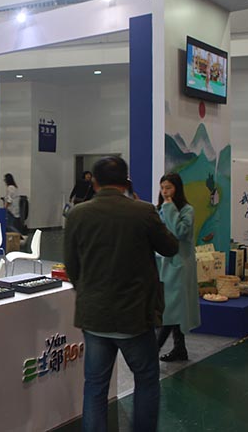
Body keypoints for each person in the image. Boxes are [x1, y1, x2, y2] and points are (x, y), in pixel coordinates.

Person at [64, 156, 179, 432]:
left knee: (95, 386)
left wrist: (88, 291)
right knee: (146, 380)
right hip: (135, 316)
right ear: (127, 182)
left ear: (94, 182)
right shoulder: (143, 211)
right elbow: (170, 247)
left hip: (95, 315)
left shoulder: (78, 214)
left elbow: (71, 266)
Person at [155, 172, 201, 362]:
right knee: (174, 308)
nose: (165, 191)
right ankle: (179, 349)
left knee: (171, 309)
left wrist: (169, 208)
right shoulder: (160, 209)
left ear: (177, 188)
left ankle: (153, 350)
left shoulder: (186, 210)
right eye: (162, 188)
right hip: (163, 264)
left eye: (169, 188)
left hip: (179, 265)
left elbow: (180, 232)